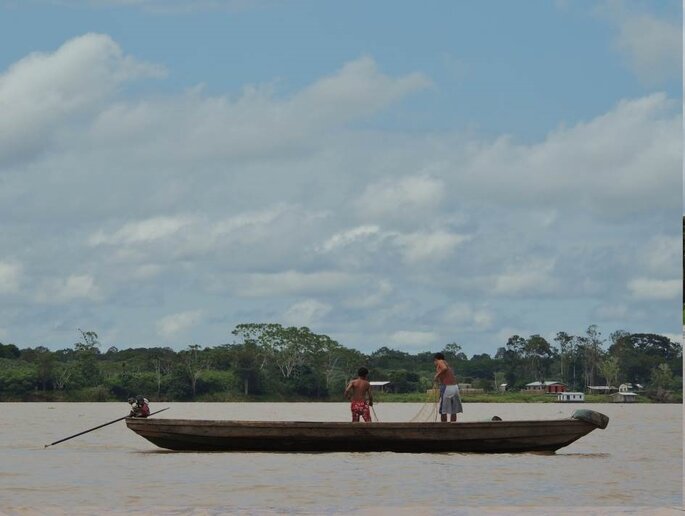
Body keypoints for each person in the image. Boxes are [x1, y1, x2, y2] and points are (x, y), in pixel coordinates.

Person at [433, 352, 462, 422]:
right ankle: (453, 426)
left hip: (447, 388)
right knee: (453, 410)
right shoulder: (446, 364)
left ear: (436, 359)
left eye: (434, 361)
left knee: (443, 410)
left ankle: (444, 427)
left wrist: (436, 375)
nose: (434, 363)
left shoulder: (440, 361)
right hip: (455, 387)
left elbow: (444, 368)